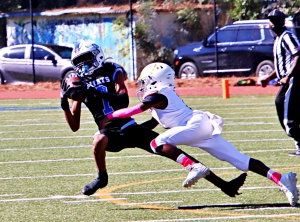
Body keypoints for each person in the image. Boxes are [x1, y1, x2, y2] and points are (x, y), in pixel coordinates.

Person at [60, 40, 247, 197]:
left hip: (129, 126)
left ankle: (225, 185)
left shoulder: (112, 70)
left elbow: (123, 101)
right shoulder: (80, 84)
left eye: (86, 60)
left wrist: (93, 90)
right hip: (111, 133)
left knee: (169, 148)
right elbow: (74, 125)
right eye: (79, 62)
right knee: (99, 138)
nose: (83, 66)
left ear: (97, 55)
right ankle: (102, 177)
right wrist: (64, 103)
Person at [99, 62, 299, 207]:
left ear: (155, 80)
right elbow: (155, 122)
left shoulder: (157, 95)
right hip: (199, 127)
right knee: (240, 161)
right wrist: (130, 134)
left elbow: (130, 111)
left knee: (157, 142)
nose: (142, 85)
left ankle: (194, 166)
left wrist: (109, 116)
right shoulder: (159, 98)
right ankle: (283, 179)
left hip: (195, 125)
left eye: (145, 81)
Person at [260, 9, 300, 157]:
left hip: (294, 79)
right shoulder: (277, 39)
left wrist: (288, 76)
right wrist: (268, 78)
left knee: (288, 119)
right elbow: (281, 65)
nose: (273, 23)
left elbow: (298, 56)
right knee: (285, 109)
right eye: (271, 20)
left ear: (282, 21)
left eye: (276, 20)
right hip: (287, 80)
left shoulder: (287, 36)